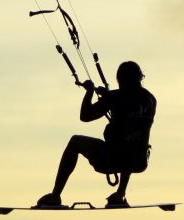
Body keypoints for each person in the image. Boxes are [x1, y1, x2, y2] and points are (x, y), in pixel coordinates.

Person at [37, 61, 156, 207]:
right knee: (131, 143)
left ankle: (55, 196)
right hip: (139, 161)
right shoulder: (150, 100)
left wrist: (90, 93)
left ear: (121, 79)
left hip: (111, 158)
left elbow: (85, 116)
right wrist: (109, 98)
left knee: (75, 142)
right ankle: (120, 195)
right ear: (139, 78)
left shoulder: (115, 98)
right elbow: (130, 115)